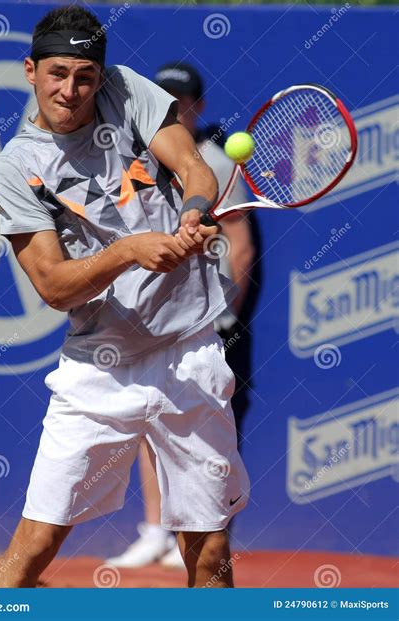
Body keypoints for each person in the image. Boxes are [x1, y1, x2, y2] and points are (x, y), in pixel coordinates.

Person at [0, 6, 250, 588]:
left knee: (208, 554)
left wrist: (192, 210)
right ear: (30, 70)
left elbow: (192, 167)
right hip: (97, 368)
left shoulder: (127, 90)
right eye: (57, 73)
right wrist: (128, 250)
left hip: (190, 350)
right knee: (33, 547)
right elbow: (54, 287)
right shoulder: (15, 168)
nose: (71, 89)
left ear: (101, 76)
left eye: (85, 76)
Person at [107, 63, 255, 569]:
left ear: (198, 106)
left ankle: (199, 535)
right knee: (149, 416)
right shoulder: (137, 161)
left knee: (202, 428)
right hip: (152, 320)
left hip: (208, 322)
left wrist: (225, 312)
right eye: (165, 100)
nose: (175, 109)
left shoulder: (215, 161)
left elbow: (239, 242)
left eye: (183, 101)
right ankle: (155, 529)